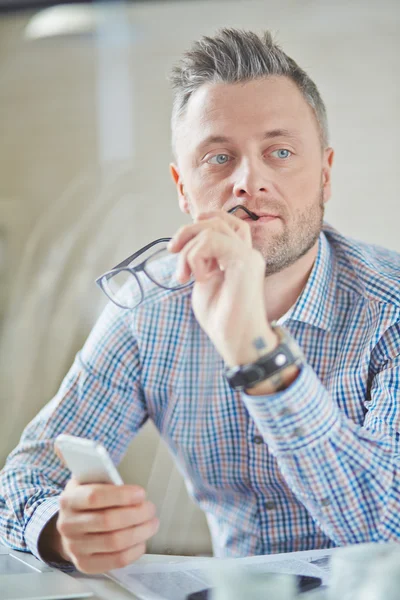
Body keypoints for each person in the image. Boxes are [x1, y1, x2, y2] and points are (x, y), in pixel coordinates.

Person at [1, 28, 400, 575]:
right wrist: (59, 529)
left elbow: (389, 529)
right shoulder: (148, 308)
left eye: (279, 152)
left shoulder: (392, 307)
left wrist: (255, 350)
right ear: (183, 188)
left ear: (326, 174)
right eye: (218, 158)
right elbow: (23, 478)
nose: (248, 181)